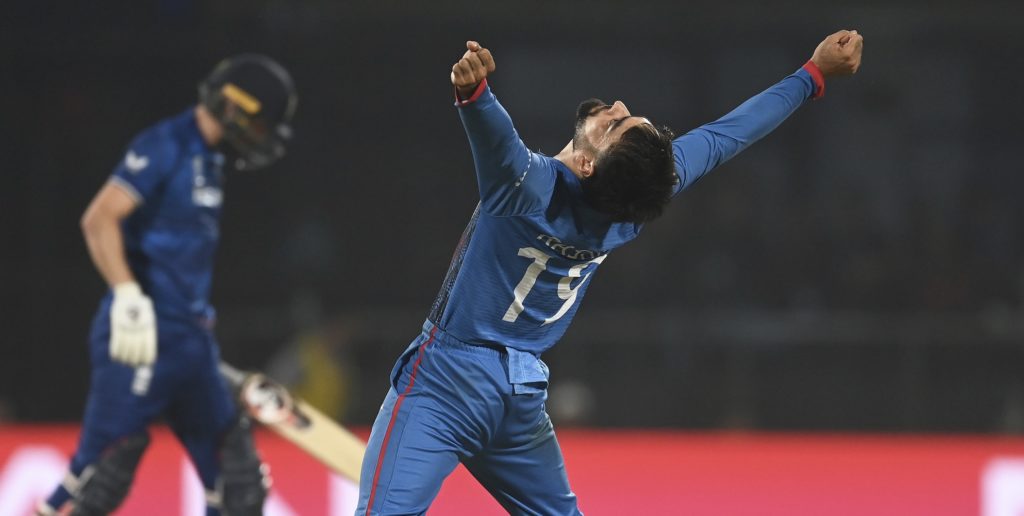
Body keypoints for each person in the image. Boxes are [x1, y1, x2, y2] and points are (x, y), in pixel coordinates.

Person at [356, 30, 864, 515]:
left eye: (616, 125)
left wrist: (473, 92)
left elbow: (495, 138)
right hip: (520, 394)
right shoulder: (635, 204)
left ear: (586, 164)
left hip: (447, 381)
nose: (618, 108)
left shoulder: (525, 190)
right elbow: (728, 135)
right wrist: (812, 74)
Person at [37, 55, 298, 516]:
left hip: (189, 342)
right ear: (234, 106)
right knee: (97, 478)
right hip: (140, 337)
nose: (261, 138)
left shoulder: (212, 160)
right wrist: (127, 294)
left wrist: (219, 370)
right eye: (260, 124)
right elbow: (99, 220)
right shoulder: (166, 143)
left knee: (239, 487)